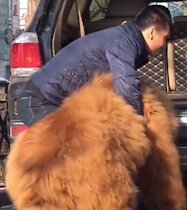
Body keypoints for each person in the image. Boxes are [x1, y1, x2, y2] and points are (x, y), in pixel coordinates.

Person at [16, 6, 171, 127]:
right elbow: (126, 86)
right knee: (82, 146)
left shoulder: (125, 38)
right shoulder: (125, 42)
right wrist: (139, 123)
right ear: (152, 32)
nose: (165, 44)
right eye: (165, 38)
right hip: (38, 101)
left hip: (49, 100)